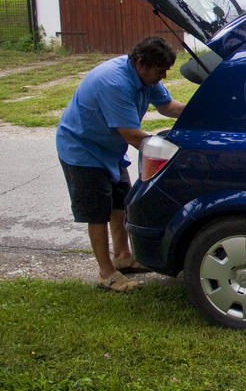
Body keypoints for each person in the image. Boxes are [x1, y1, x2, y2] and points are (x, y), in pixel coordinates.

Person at [56, 36, 186, 292]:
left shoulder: (147, 78)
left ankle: (124, 256)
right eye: (160, 71)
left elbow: (167, 106)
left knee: (120, 203)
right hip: (82, 150)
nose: (163, 77)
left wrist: (199, 110)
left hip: (109, 150)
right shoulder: (114, 83)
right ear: (140, 63)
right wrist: (178, 153)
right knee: (98, 213)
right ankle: (107, 274)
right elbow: (133, 136)